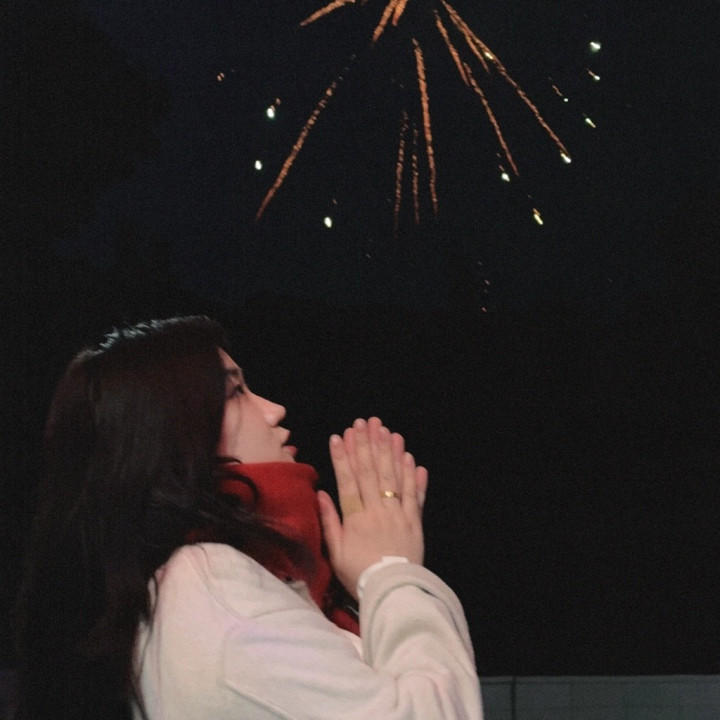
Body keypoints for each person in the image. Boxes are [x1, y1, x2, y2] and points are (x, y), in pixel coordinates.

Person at [14, 316, 483, 720]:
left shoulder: (204, 590)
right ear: (174, 437)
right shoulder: (212, 590)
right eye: (236, 392)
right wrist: (392, 573)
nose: (274, 410)